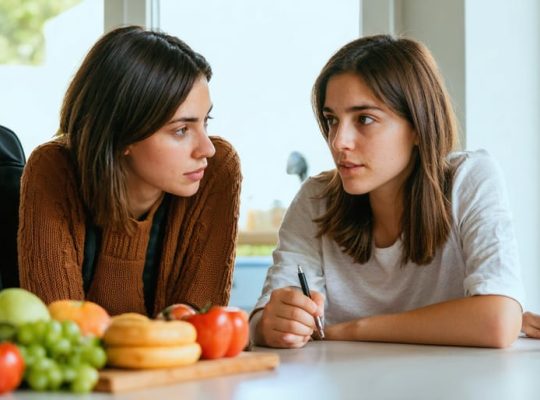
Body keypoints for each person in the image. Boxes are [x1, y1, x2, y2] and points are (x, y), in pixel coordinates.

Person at [250, 35, 524, 349]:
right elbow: (263, 320)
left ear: (419, 127)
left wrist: (349, 329)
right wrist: (268, 323)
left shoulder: (470, 179)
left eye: (364, 119)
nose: (339, 141)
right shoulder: (316, 200)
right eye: (331, 120)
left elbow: (497, 322)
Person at [18, 26, 241, 317]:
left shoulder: (216, 171)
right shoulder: (54, 170)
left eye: (205, 121)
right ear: (122, 135)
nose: (206, 149)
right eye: (181, 130)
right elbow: (63, 334)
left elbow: (201, 331)